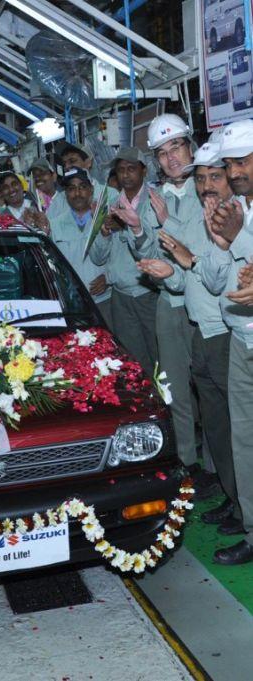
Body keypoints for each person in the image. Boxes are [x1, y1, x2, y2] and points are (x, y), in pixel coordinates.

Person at [137, 142, 240, 542]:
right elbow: (187, 281)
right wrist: (168, 272)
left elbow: (216, 278)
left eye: (215, 176)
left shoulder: (233, 219)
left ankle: (244, 507)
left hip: (224, 333)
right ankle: (234, 499)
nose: (207, 186)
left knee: (235, 429)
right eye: (201, 179)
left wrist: (187, 262)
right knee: (217, 427)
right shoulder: (201, 217)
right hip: (200, 330)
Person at [124, 114, 215, 494]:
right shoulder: (153, 197)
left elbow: (201, 251)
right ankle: (188, 462)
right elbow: (146, 253)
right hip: (168, 300)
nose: (171, 158)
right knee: (175, 387)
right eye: (162, 153)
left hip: (205, 299)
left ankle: (215, 465)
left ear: (189, 145)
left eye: (175, 147)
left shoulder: (208, 188)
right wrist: (139, 228)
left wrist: (167, 223)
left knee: (210, 389)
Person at [199, 120, 253, 565]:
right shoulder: (232, 209)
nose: (235, 171)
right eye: (231, 163)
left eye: (243, 162)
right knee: (244, 442)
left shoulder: (241, 220)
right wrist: (219, 243)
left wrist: (238, 238)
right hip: (241, 337)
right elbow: (217, 280)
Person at [89, 148, 158, 374]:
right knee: (134, 361)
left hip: (148, 293)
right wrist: (105, 231)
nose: (126, 175)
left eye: (131, 169)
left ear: (144, 170)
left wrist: (127, 227)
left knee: (161, 357)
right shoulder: (111, 205)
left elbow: (153, 251)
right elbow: (98, 257)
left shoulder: (156, 200)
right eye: (121, 170)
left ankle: (170, 407)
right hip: (121, 296)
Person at [49, 167, 112, 327]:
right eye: (71, 188)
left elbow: (120, 256)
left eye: (82, 187)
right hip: (72, 304)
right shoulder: (54, 225)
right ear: (65, 194)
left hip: (104, 300)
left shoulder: (107, 219)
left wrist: (109, 277)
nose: (77, 193)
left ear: (91, 189)